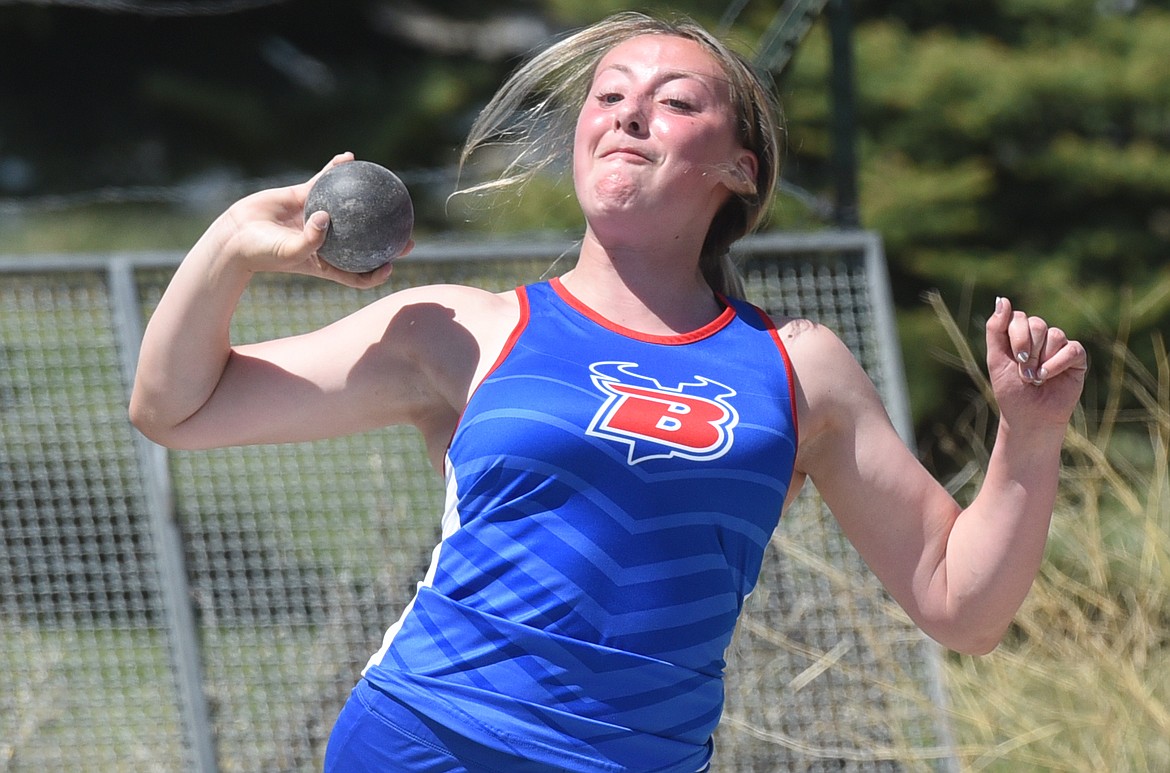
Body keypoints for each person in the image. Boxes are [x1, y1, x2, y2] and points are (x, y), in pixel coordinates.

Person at [129, 11, 1088, 773]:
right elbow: (177, 407)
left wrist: (1029, 436)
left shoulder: (800, 368)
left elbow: (962, 603)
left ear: (737, 170)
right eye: (610, 96)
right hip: (425, 740)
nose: (629, 114)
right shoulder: (466, 328)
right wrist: (229, 248)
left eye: (673, 102)